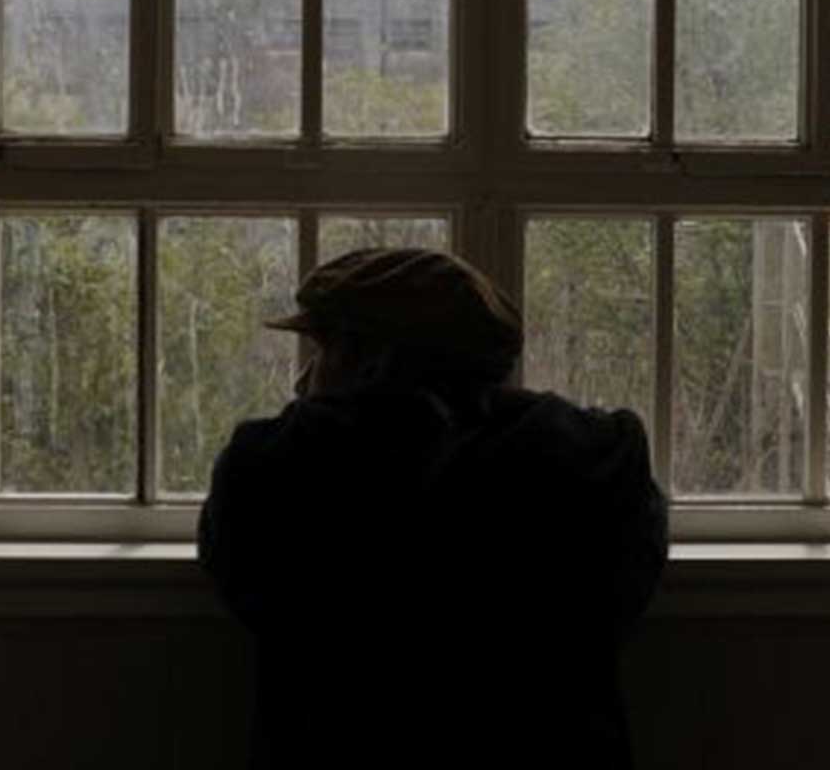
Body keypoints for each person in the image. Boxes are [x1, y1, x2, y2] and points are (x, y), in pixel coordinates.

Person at [196, 246, 667, 770]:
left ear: (366, 359)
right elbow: (625, 592)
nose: (304, 377)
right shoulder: (601, 457)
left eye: (322, 350)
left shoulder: (275, 466)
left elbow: (243, 583)